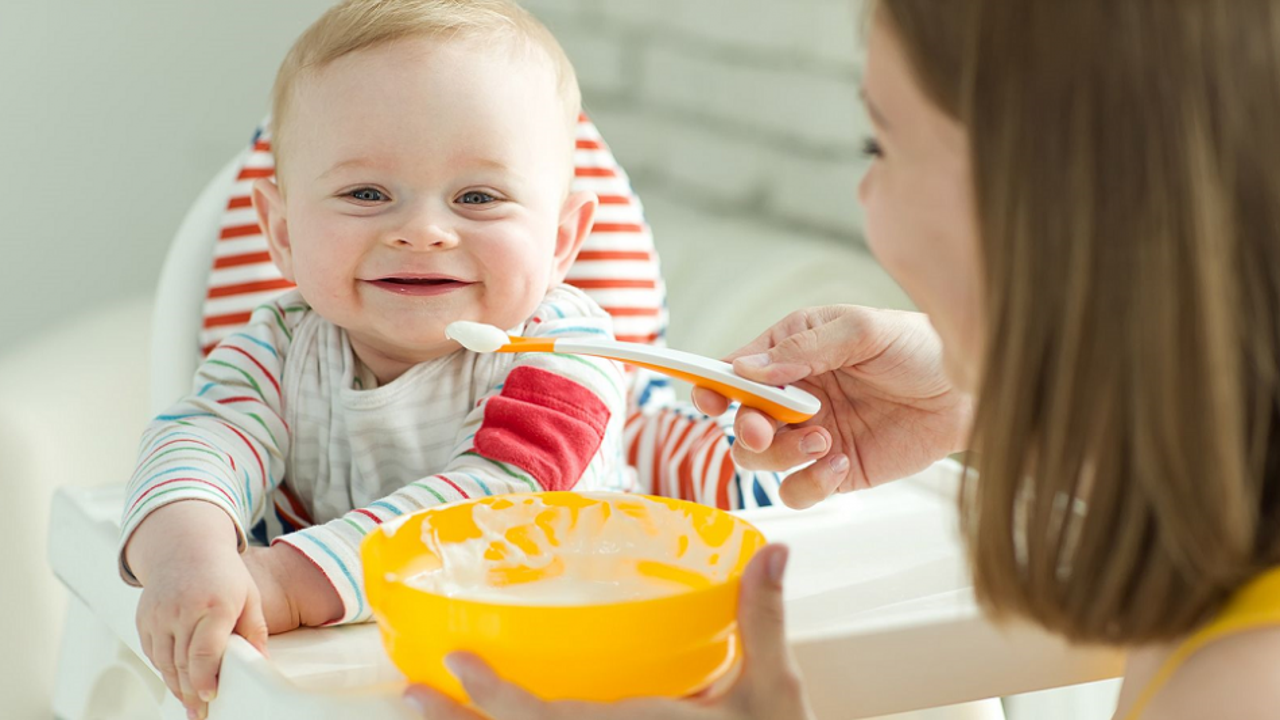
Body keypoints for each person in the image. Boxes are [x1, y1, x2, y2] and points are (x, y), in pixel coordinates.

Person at [405, 1, 1280, 719]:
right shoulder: (1219, 540)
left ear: (1047, 203)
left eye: (881, 145)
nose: (867, 197)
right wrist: (986, 390)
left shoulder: (1242, 681)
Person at [118, 1, 634, 718]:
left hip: (556, 668)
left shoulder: (569, 355)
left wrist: (287, 585)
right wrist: (186, 551)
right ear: (283, 231)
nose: (422, 230)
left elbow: (503, 509)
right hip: (339, 673)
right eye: (366, 193)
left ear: (562, 241)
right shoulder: (280, 344)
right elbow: (201, 435)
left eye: (478, 197)